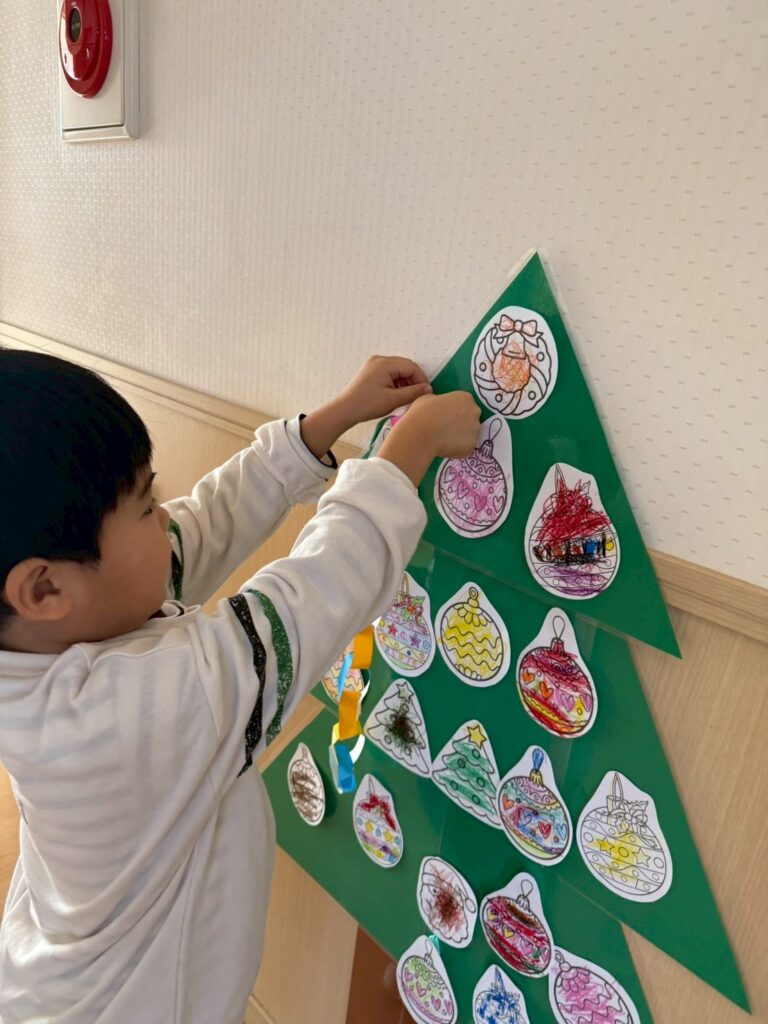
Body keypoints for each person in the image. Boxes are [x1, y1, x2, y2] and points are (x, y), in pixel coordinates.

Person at [0, 348, 480, 1023]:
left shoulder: (39, 637)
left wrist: (325, 425)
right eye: (146, 506)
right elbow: (311, 599)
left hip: (48, 975)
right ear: (44, 587)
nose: (165, 517)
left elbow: (196, 532)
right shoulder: (118, 722)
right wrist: (412, 447)